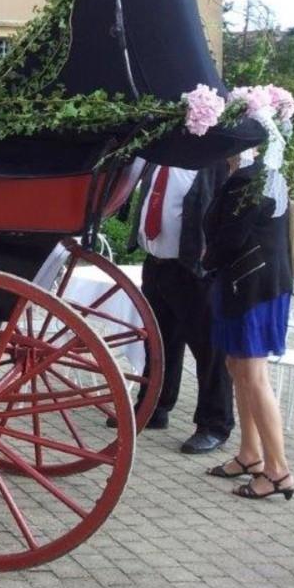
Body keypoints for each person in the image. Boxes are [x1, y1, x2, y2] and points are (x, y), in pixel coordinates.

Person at [123, 163, 234, 454]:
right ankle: (155, 406)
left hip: (194, 272)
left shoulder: (213, 164)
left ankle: (214, 425)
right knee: (158, 344)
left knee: (209, 351)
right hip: (156, 265)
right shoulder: (158, 159)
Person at [203, 154, 294, 500]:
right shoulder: (261, 173)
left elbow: (233, 236)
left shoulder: (250, 178)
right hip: (253, 283)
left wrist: (203, 260)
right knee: (236, 366)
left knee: (254, 374)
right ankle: (250, 454)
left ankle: (278, 471)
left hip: (253, 286)